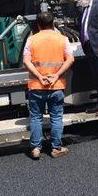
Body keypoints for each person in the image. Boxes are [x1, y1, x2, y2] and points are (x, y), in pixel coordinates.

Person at [23, 11, 74, 159]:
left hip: (36, 86)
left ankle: (36, 148)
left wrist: (39, 76)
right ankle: (56, 148)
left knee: (36, 118)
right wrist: (56, 75)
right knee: (56, 118)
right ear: (53, 24)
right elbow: (70, 59)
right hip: (56, 85)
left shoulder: (31, 40)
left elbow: (26, 61)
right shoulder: (63, 39)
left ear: (38, 25)